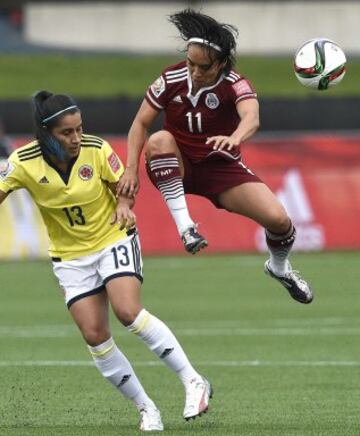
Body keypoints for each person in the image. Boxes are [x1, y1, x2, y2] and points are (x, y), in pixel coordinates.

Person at [0, 90, 212, 432]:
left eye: (79, 129)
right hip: (70, 258)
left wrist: (124, 206)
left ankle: (193, 380)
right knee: (95, 335)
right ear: (45, 133)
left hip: (113, 238)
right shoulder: (23, 162)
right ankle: (147, 409)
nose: (75, 138)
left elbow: (124, 186)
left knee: (127, 311)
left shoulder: (96, 150)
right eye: (66, 133)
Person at [117, 9, 313, 305]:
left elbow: (251, 117)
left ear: (220, 63)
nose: (195, 72)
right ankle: (186, 228)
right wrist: (131, 169)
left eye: (203, 67)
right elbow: (140, 124)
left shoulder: (235, 83)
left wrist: (235, 138)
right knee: (158, 140)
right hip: (176, 162)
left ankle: (279, 268)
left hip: (219, 167)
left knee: (280, 221)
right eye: (190, 63)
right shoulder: (171, 79)